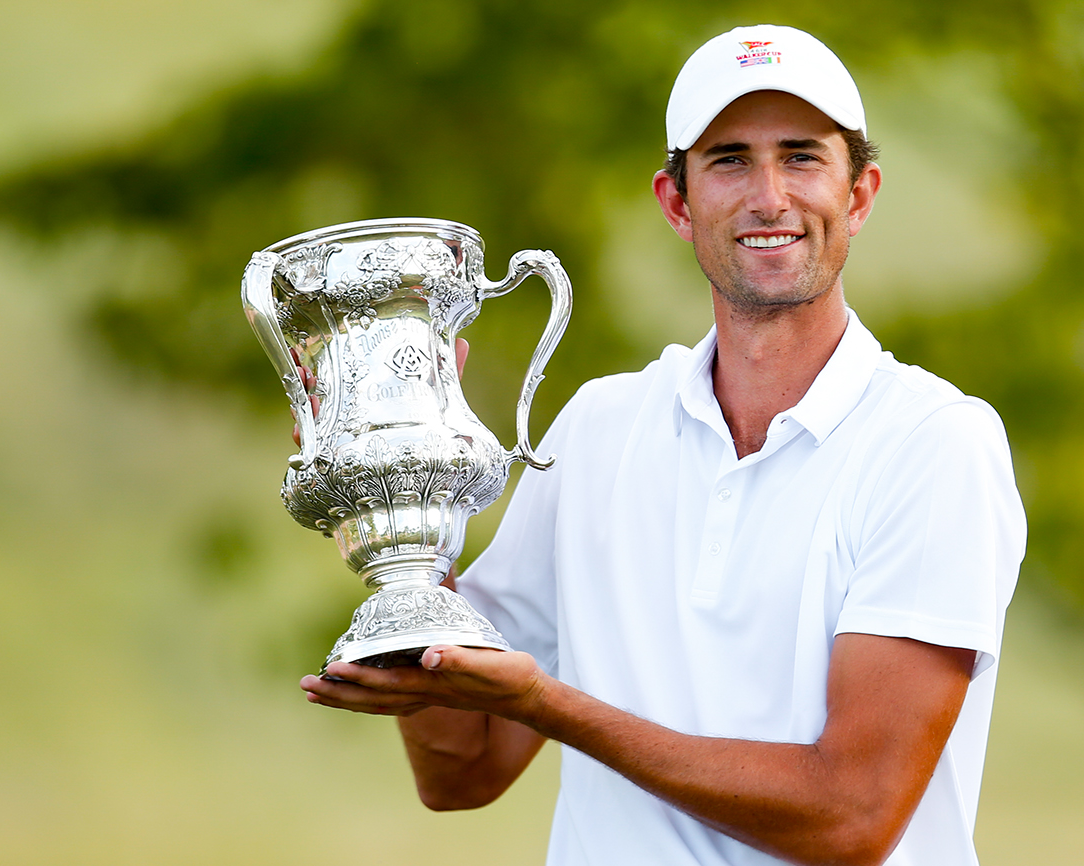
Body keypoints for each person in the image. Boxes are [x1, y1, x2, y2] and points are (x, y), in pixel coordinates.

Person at [302, 23, 1025, 866]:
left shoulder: (936, 445)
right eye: (728, 160)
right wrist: (402, 521)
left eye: (801, 157)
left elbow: (850, 817)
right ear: (676, 202)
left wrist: (550, 704)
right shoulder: (598, 431)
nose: (768, 197)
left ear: (858, 195)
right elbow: (462, 772)